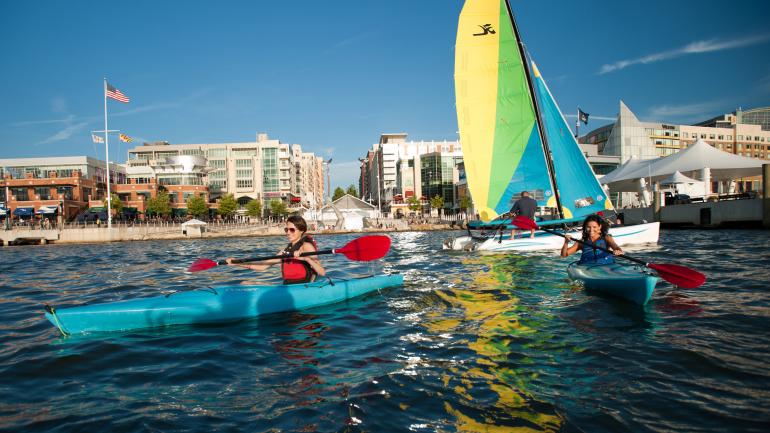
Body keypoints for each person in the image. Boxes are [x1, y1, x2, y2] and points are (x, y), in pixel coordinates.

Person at [225, 215, 325, 284]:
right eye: (286, 229)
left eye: (292, 230)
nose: (288, 233)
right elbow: (262, 267)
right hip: (287, 286)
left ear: (301, 231)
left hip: (303, 286)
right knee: (246, 283)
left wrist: (307, 259)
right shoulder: (285, 251)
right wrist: (237, 263)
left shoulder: (306, 246)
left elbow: (322, 272)